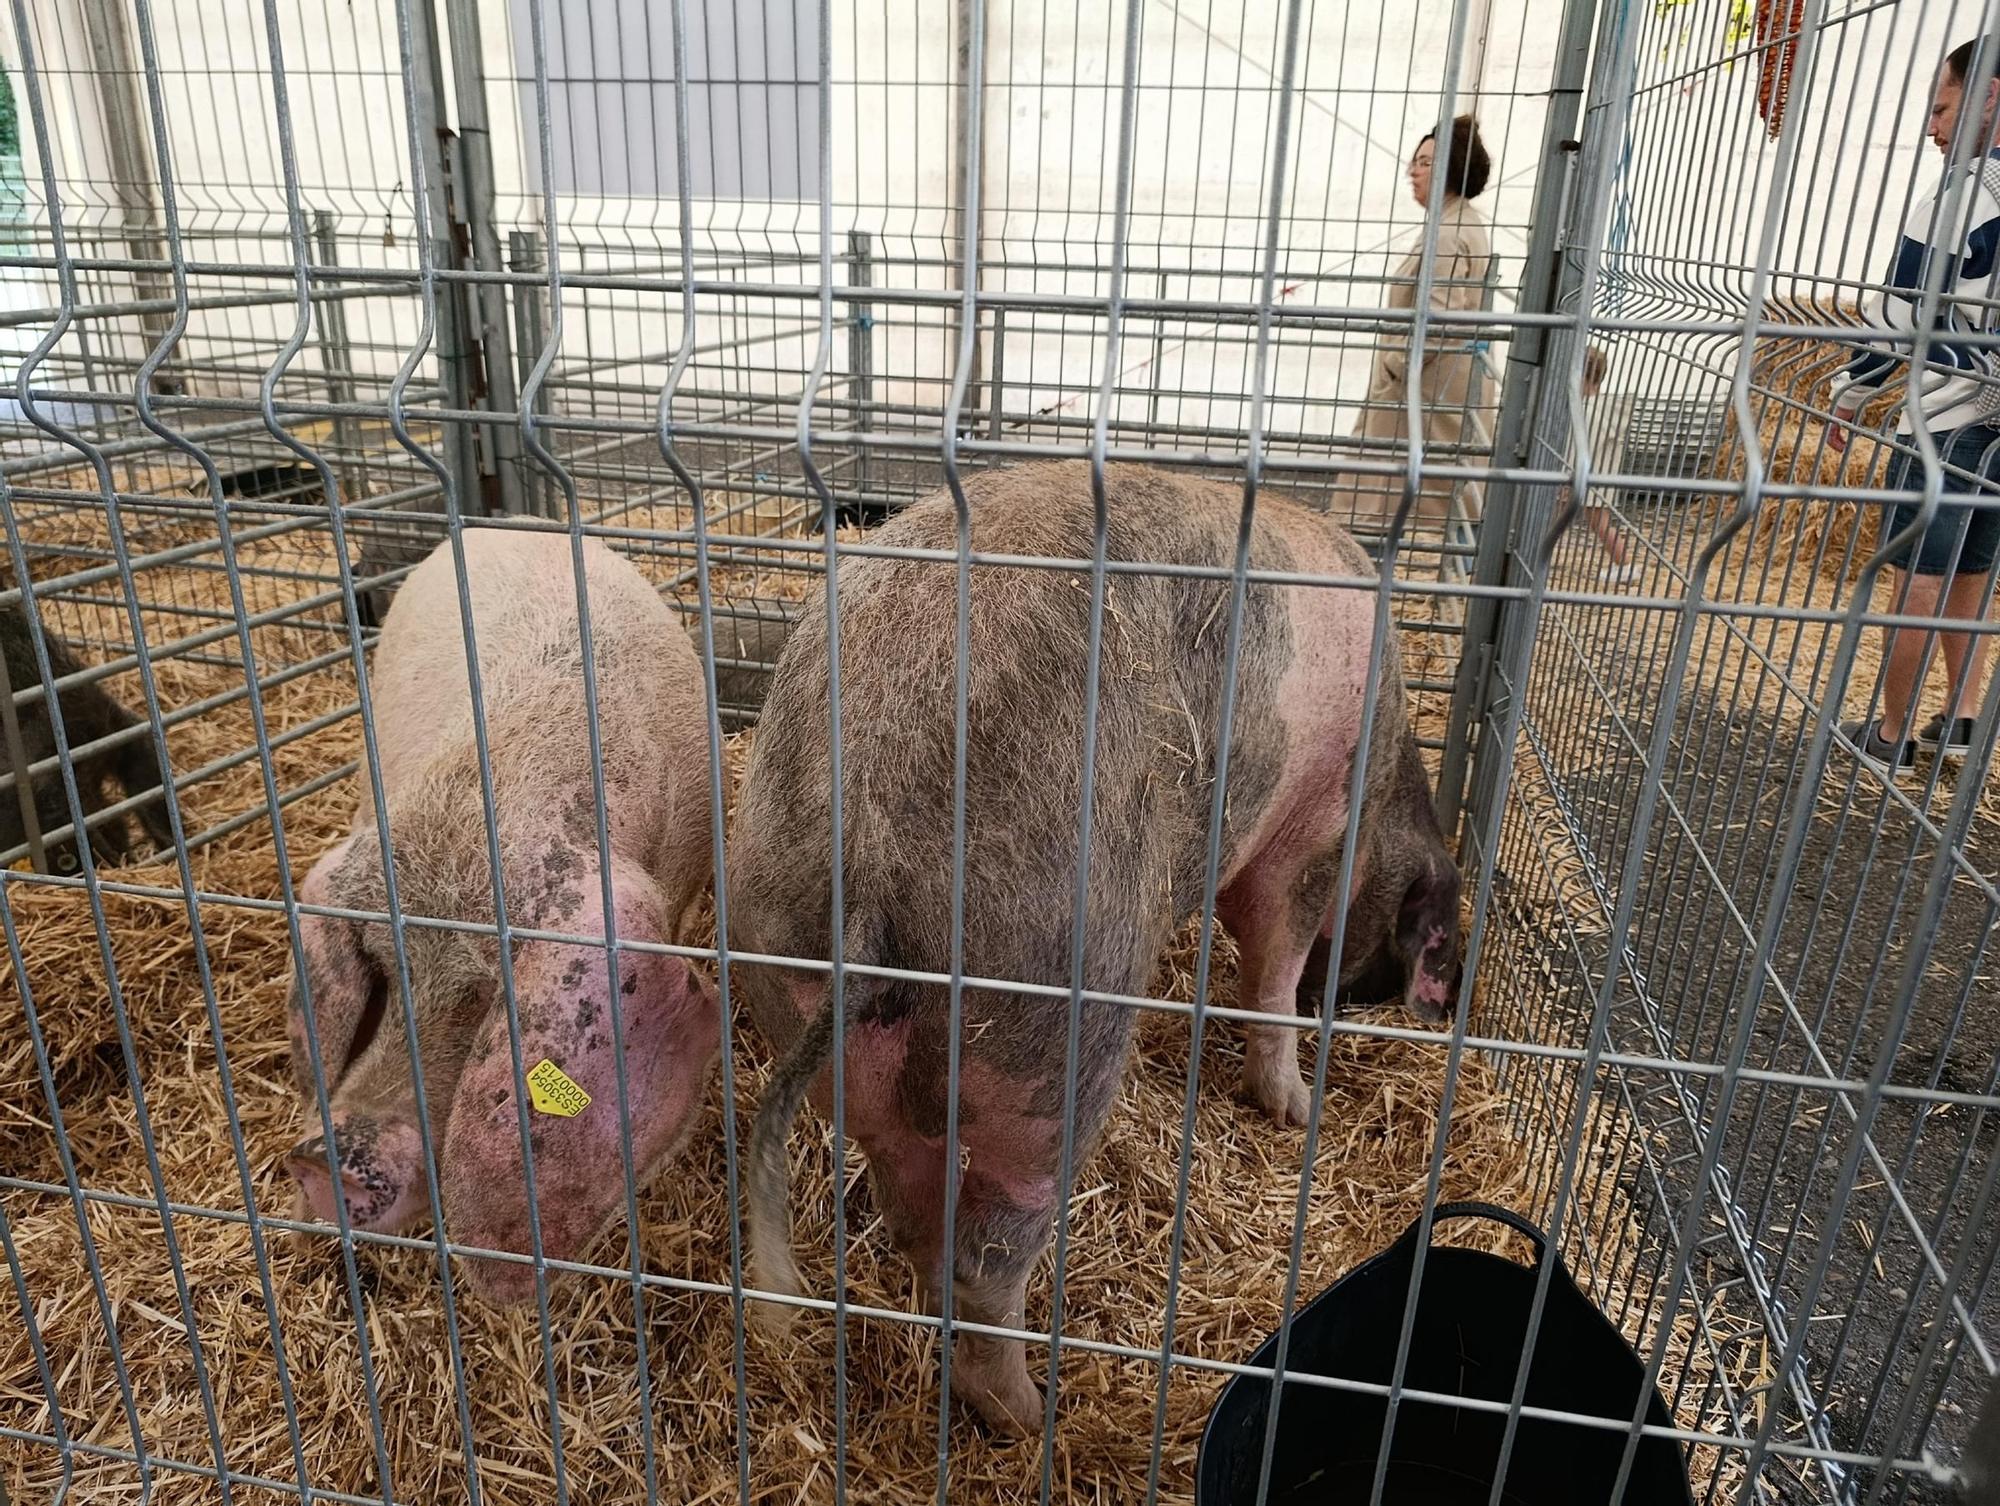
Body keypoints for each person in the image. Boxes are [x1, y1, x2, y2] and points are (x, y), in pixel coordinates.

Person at [1829, 36, 2000, 777]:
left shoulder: (1963, 192)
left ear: (1988, 97)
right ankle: (1961, 718)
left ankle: (1892, 733)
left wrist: (1852, 389)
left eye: (1943, 106)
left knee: (1917, 578)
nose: (1932, 127)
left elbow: (1902, 309)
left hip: (1948, 415)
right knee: (1972, 575)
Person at [1345, 116, 1497, 530]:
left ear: (1452, 167)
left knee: (1378, 507)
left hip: (1419, 391)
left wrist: (1396, 364)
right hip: (1424, 387)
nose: (1413, 170)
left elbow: (1437, 320)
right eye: (1415, 161)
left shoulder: (1449, 233)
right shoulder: (1455, 223)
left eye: (1425, 162)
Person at [1559, 344, 1644, 585]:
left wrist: (1567, 474)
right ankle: (1625, 565)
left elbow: (1580, 448)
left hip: (1590, 475)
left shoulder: (1591, 411)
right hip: (1598, 474)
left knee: (1594, 522)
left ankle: (1626, 565)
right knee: (1592, 521)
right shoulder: (1600, 408)